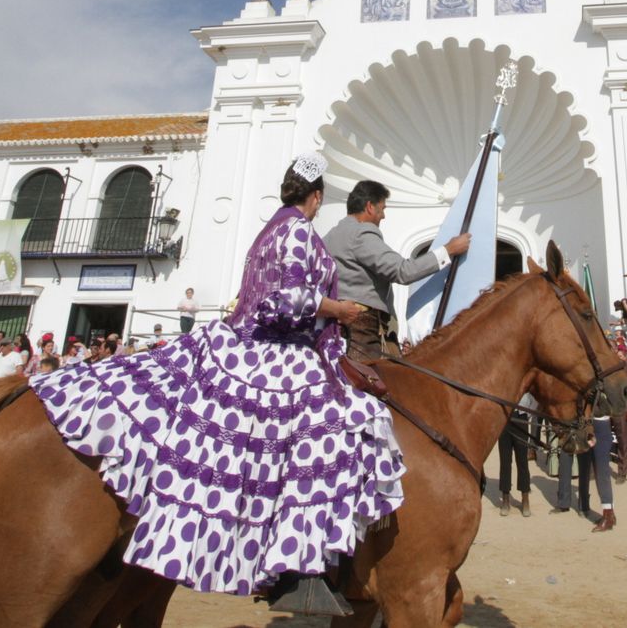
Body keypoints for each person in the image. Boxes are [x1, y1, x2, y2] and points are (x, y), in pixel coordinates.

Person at [31, 153, 405, 605]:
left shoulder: (270, 231)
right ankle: (296, 564)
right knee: (335, 427)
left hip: (253, 342)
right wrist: (337, 310)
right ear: (317, 197)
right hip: (278, 349)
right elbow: (285, 299)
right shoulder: (297, 231)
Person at [324, 180, 471, 361]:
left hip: (340, 333)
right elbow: (403, 271)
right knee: (377, 387)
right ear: (370, 207)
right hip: (362, 334)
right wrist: (448, 250)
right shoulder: (361, 234)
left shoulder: (330, 236)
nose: (383, 216)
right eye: (382, 209)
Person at [497, 397, 533, 518]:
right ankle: (506, 499)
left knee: (522, 461)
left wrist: (529, 414)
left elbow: (535, 398)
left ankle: (525, 499)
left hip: (521, 418)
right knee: (505, 461)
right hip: (504, 419)